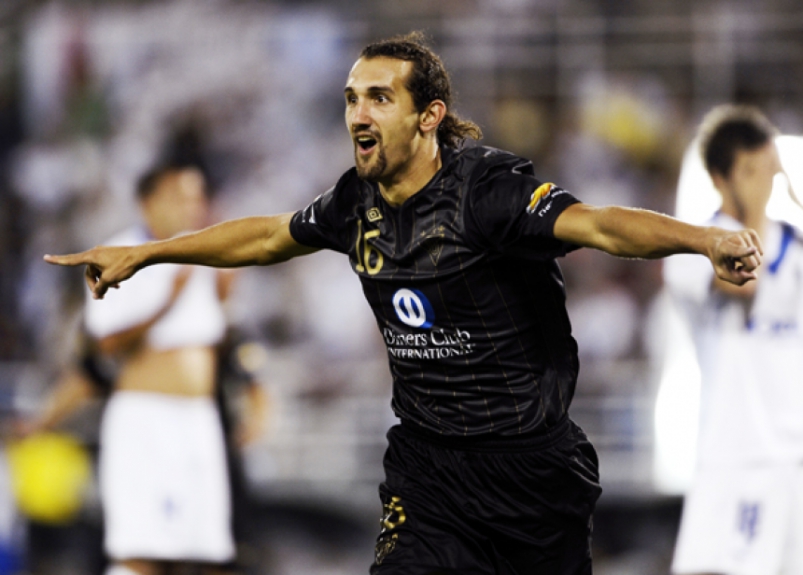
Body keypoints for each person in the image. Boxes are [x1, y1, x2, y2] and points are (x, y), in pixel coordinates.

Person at [45, 33, 763, 575]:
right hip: (429, 467)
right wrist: (146, 253)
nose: (358, 111)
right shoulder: (351, 203)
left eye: (379, 97)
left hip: (532, 470)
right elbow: (266, 237)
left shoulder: (490, 194)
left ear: (428, 116)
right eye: (351, 97)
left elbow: (603, 224)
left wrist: (702, 239)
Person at [49, 164, 240, 575]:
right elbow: (107, 344)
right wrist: (166, 301)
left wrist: (224, 297)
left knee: (205, 551)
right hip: (146, 420)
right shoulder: (120, 255)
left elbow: (210, 344)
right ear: (148, 203)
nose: (191, 208)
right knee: (140, 550)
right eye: (179, 197)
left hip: (198, 420)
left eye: (196, 197)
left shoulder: (205, 254)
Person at [666, 105, 803, 575]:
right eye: (749, 170)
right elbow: (745, 283)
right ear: (720, 178)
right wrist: (757, 211)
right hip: (740, 458)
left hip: (795, 460)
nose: (763, 180)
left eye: (768, 168)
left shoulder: (797, 243)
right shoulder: (695, 247)